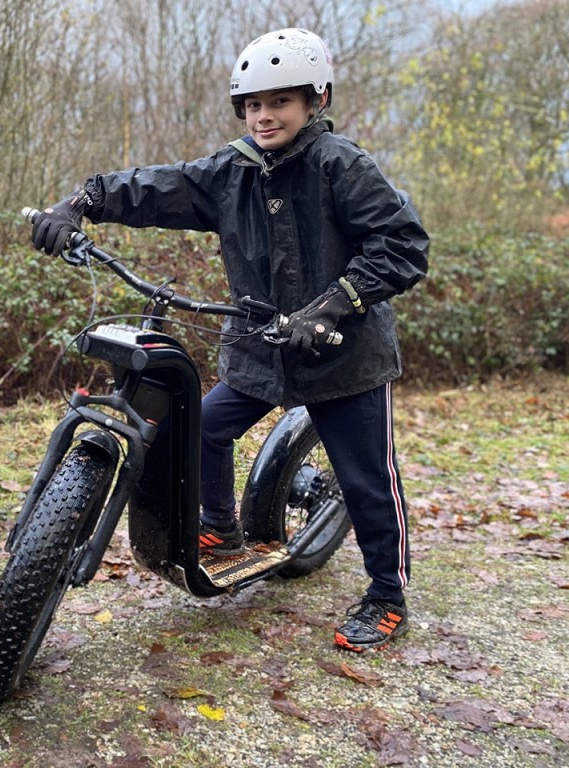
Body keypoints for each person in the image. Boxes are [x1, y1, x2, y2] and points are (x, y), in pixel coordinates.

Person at [30, 28, 429, 653]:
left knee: (366, 477)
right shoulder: (231, 171)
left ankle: (386, 595)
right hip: (261, 348)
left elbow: (404, 247)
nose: (263, 116)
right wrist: (80, 202)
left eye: (280, 103)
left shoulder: (340, 166)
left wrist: (333, 303)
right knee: (203, 427)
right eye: (252, 104)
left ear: (314, 101)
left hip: (343, 354)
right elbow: (156, 186)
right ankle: (220, 530)